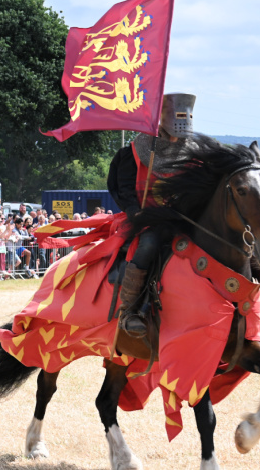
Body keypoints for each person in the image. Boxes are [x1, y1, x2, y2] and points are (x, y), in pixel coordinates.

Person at [107, 93, 197, 338]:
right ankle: (131, 309)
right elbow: (124, 187)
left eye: (186, 116)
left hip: (182, 218)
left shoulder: (195, 154)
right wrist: (135, 211)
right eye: (178, 116)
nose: (183, 121)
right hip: (147, 219)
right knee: (149, 244)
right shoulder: (136, 151)